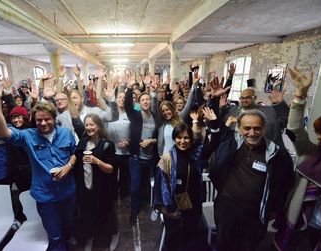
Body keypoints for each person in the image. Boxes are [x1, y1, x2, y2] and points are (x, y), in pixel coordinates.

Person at [0, 75, 77, 251]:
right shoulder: (28, 136)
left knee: (68, 226)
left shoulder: (66, 133)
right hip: (45, 195)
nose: (43, 123)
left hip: (68, 192)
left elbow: (74, 154)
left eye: (47, 119)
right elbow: (3, 133)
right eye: (38, 120)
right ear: (33, 121)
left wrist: (68, 166)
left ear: (53, 118)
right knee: (55, 235)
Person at [209, 109, 295, 251]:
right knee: (224, 245)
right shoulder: (231, 142)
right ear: (239, 128)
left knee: (248, 247)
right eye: (247, 128)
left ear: (264, 129)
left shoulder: (278, 154)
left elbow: (287, 184)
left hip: (255, 213)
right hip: (226, 208)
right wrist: (214, 101)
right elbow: (215, 126)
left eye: (257, 128)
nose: (252, 133)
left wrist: (276, 209)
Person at [274, 67, 321, 251]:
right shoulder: (310, 152)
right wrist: (300, 96)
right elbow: (295, 128)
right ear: (320, 135)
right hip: (299, 221)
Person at [154, 107, 221, 250]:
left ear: (191, 139)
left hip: (193, 206)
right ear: (174, 139)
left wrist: (214, 123)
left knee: (190, 240)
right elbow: (162, 189)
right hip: (174, 210)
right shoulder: (167, 160)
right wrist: (170, 211)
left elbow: (214, 144)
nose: (182, 141)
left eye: (186, 138)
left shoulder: (196, 154)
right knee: (174, 242)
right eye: (179, 137)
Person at [73, 114, 118, 251]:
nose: (88, 127)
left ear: (98, 126)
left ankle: (110, 237)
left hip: (102, 188)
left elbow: (110, 169)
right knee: (88, 212)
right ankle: (90, 235)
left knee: (105, 213)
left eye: (92, 124)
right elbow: (76, 155)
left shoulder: (107, 145)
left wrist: (96, 161)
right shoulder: (83, 140)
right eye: (86, 125)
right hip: (85, 185)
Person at [124, 77, 158, 226]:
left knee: (144, 184)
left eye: (147, 99)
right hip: (136, 158)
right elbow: (127, 106)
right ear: (139, 102)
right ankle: (133, 210)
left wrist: (152, 140)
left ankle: (143, 203)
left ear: (150, 101)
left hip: (150, 158)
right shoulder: (136, 115)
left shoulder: (155, 117)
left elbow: (158, 135)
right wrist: (130, 87)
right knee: (135, 186)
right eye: (142, 99)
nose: (145, 101)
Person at [220, 87, 289, 147]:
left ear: (255, 98)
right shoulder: (232, 110)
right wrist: (220, 107)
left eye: (248, 97)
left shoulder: (269, 111)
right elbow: (216, 122)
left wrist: (279, 104)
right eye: (242, 98)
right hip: (234, 151)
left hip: (262, 152)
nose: (245, 100)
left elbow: (285, 121)